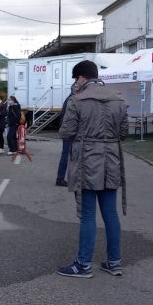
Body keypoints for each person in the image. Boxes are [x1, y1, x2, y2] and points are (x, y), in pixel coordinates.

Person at [57, 60, 128, 278]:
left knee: (88, 215)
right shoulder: (118, 100)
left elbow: (66, 133)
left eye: (75, 80)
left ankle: (84, 264)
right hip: (111, 161)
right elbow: (123, 133)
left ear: (80, 78)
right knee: (110, 213)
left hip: (86, 162)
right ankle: (114, 262)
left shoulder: (77, 100)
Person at [56, 70, 87, 186]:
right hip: (70, 131)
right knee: (69, 155)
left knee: (69, 155)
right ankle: (61, 179)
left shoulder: (71, 98)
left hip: (69, 130)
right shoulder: (73, 99)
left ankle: (63, 178)